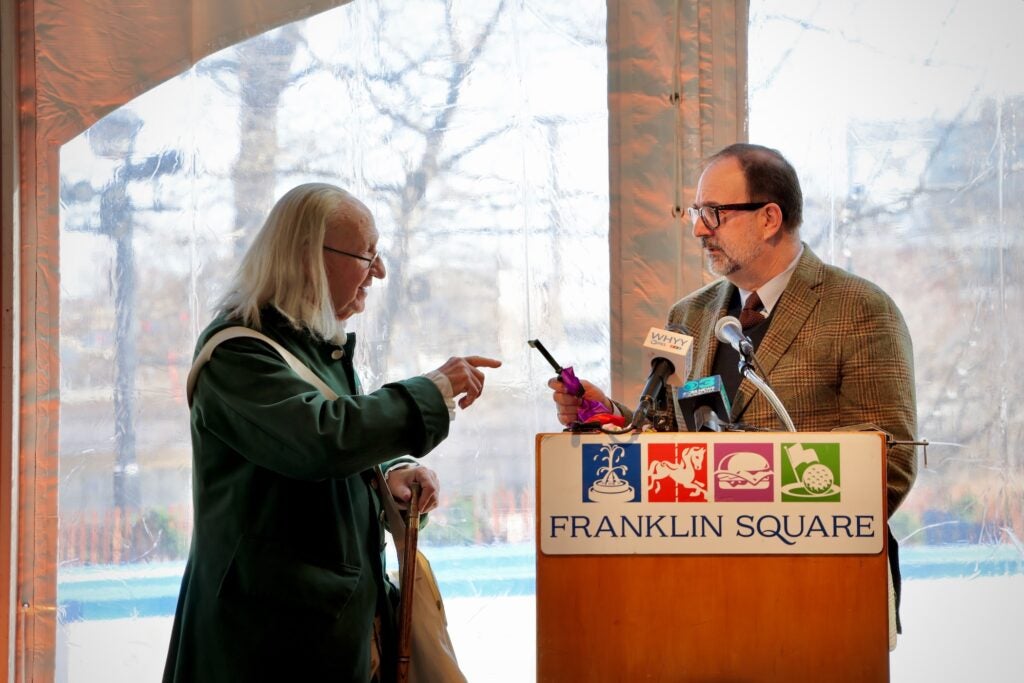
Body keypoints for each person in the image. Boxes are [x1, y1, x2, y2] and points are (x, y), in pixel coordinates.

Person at [549, 142, 917, 621]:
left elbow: (890, 461)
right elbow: (673, 439)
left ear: (769, 218)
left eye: (715, 212)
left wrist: (759, 512)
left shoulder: (861, 310)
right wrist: (612, 416)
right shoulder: (691, 313)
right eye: (697, 213)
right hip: (700, 587)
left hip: (822, 587)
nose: (700, 229)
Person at [163, 183, 501, 682]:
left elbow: (337, 449)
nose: (379, 271)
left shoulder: (311, 347)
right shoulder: (237, 354)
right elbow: (319, 441)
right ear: (305, 257)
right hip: (267, 642)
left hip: (323, 626)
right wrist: (430, 392)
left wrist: (392, 474)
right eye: (367, 255)